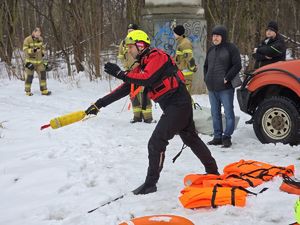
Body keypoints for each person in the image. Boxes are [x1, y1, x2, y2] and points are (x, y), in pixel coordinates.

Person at [85, 30, 219, 195]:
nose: (128, 50)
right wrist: (98, 105)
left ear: (141, 46)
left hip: (178, 104)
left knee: (156, 142)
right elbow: (125, 88)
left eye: (130, 47)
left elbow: (147, 79)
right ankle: (213, 171)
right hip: (174, 106)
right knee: (191, 138)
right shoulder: (142, 64)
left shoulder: (157, 57)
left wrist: (121, 73)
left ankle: (150, 183)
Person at [204, 25, 242, 148]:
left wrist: (227, 77)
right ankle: (217, 137)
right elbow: (205, 66)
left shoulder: (231, 48)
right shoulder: (210, 50)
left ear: (223, 37)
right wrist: (206, 78)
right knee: (215, 113)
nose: (215, 38)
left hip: (225, 88)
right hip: (212, 87)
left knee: (229, 114)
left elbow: (237, 65)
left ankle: (226, 136)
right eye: (214, 36)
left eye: (217, 36)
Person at [245, 21, 286, 124]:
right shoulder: (265, 41)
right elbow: (255, 55)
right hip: (260, 73)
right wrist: (264, 55)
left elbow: (271, 51)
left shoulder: (280, 42)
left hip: (273, 75)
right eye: (267, 30)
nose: (268, 32)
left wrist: (260, 50)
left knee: (269, 97)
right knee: (257, 95)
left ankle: (268, 118)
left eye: (271, 30)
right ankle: (255, 116)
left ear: (275, 32)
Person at [118, 23, 153, 123]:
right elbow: (121, 56)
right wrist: (126, 66)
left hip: (140, 72)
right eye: (128, 30)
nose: (129, 32)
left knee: (143, 94)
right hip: (130, 72)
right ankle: (137, 117)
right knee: (133, 95)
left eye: (132, 30)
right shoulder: (123, 43)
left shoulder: (140, 42)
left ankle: (148, 118)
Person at [23, 27, 51, 96]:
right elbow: (25, 50)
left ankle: (44, 90)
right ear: (33, 32)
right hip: (30, 62)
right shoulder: (27, 40)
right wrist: (33, 50)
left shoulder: (41, 39)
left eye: (39, 35)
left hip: (39, 62)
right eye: (37, 34)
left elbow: (43, 48)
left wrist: (43, 53)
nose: (38, 36)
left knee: (43, 75)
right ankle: (27, 91)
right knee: (29, 76)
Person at [173, 25, 197, 95]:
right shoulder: (181, 42)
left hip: (186, 76)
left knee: (185, 96)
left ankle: (190, 106)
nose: (173, 34)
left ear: (178, 34)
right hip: (182, 75)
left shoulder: (185, 44)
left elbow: (189, 58)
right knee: (182, 97)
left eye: (174, 33)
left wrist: (193, 68)